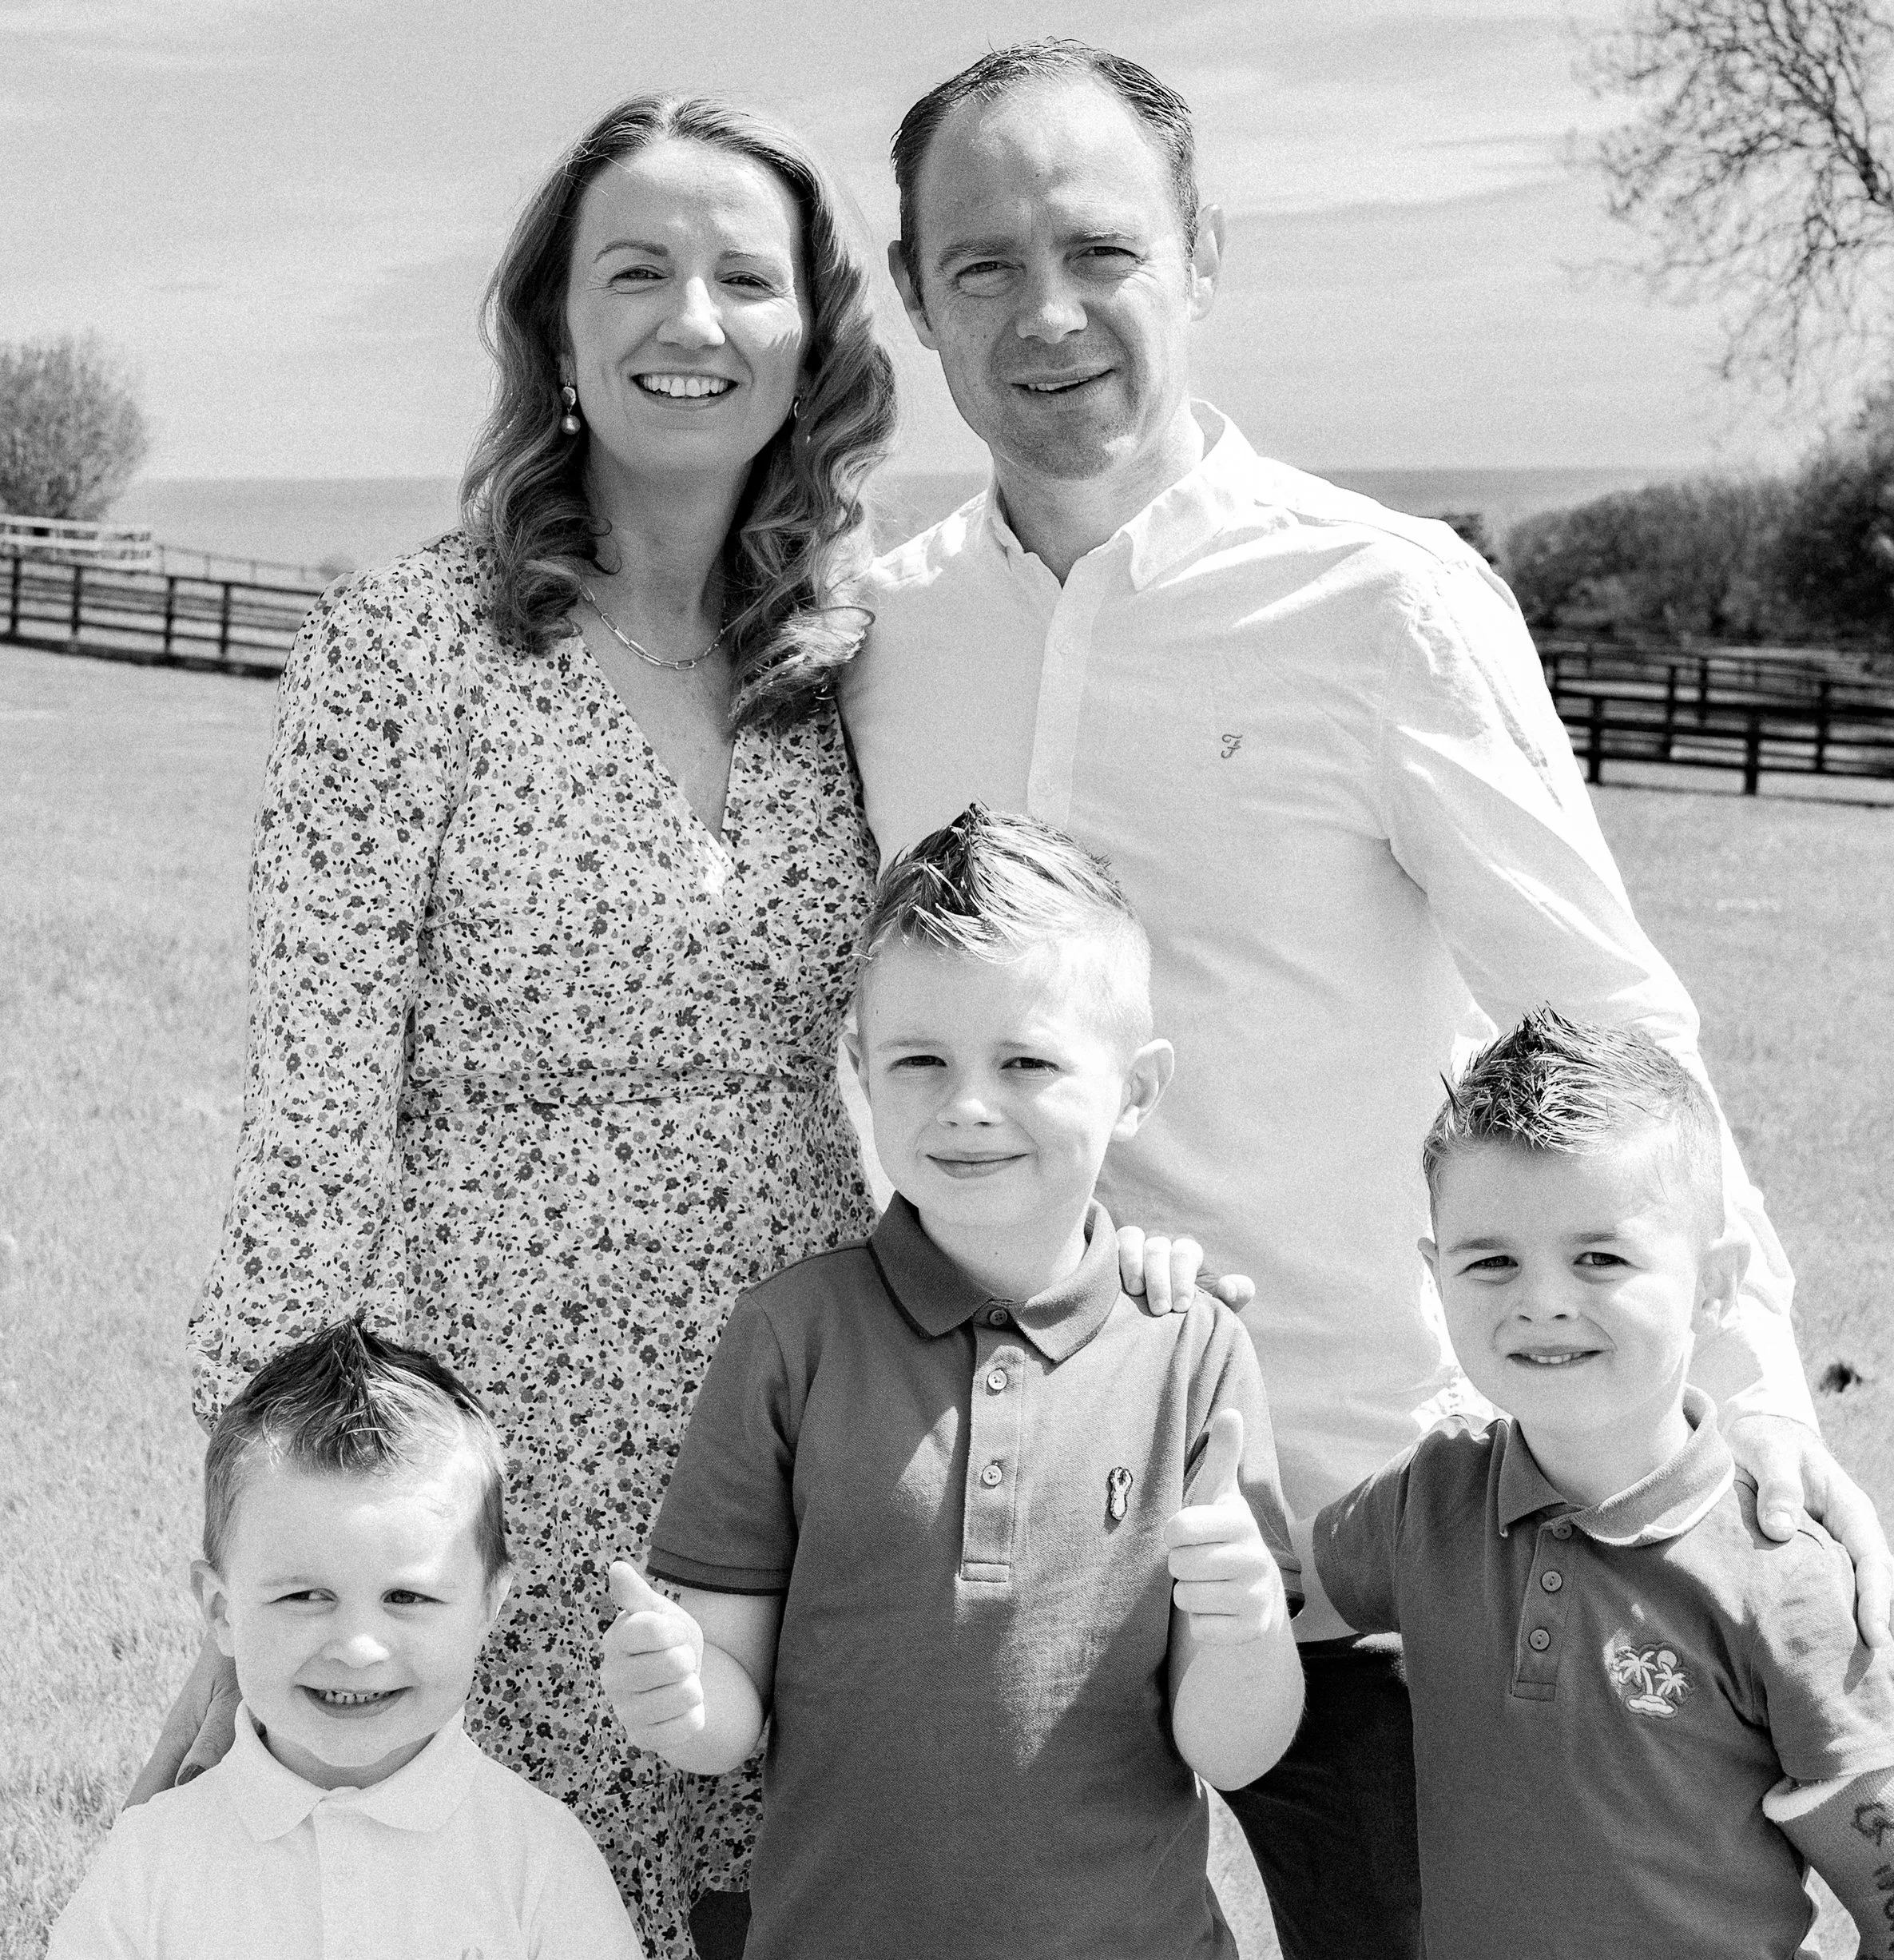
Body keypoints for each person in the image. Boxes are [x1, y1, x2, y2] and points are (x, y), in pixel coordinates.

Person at [840, 38, 1894, 1958]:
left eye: (1099, 247)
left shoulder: (1388, 602)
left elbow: (1608, 1026)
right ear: (917, 293)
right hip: (1000, 1553)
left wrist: (1752, 1408)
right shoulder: (881, 632)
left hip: (1367, 1537)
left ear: (1201, 258)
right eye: (982, 262)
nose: (1048, 311)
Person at [135, 92, 898, 1960]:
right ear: (553, 326)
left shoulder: (867, 652)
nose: (690, 319)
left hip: (800, 1421)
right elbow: (314, 1120)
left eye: (745, 277)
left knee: (773, 1902)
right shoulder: (401, 656)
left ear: (815, 334)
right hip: (494, 1425)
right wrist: (260, 1555)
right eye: (633, 271)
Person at [602, 805, 1305, 1960]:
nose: (967, 1104)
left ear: (1134, 1088)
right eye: (920, 1060)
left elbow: (1233, 1748)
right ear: (861, 1071)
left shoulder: (1193, 1349)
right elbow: (728, 1710)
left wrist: (1243, 1627)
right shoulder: (793, 1335)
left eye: (1026, 1062)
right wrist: (683, 1698)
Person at [1313, 1012, 1894, 1960]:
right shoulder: (1422, 1501)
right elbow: (1259, 1591)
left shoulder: (1783, 1578)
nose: (1542, 1297)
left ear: (1713, 1285)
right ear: (1437, 1276)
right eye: (1491, 1259)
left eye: (1600, 1256)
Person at [51, 1318, 644, 1959]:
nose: (358, 1647)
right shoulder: (148, 1868)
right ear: (221, 1608)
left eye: (407, 1596)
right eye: (305, 1596)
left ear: (486, 1606)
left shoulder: (540, 1862)